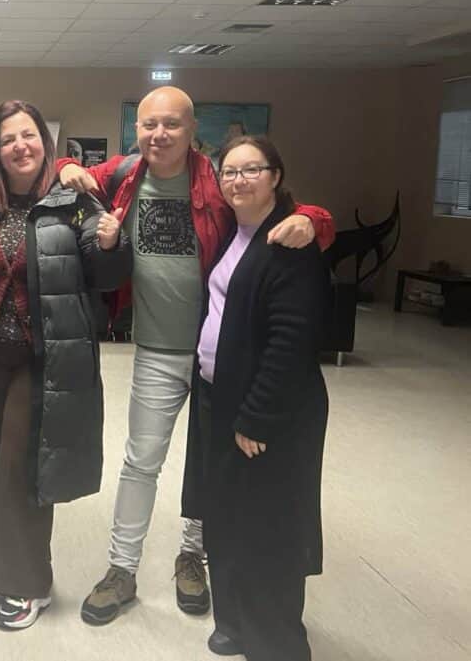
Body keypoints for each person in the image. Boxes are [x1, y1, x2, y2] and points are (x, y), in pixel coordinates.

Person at [57, 86, 334, 625]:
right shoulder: (125, 175)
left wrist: (314, 220)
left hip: (221, 354)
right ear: (138, 130)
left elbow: (290, 211)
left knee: (210, 463)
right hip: (156, 349)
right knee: (141, 461)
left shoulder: (218, 181)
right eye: (149, 124)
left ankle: (193, 556)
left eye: (172, 125)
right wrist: (68, 166)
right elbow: (65, 169)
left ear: (192, 130)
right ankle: (122, 569)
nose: (159, 134)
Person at [0, 100, 131, 630]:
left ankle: (27, 585)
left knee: (20, 469)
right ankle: (22, 564)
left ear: (44, 144)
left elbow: (107, 274)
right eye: (8, 139)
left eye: (28, 135)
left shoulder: (74, 202)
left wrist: (112, 242)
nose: (19, 146)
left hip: (42, 360)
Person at [184, 136, 329, 660]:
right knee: (225, 515)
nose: (238, 180)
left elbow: (292, 340)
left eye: (251, 170)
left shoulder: (290, 242)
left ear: (276, 176)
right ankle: (235, 621)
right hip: (218, 398)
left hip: (268, 411)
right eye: (229, 171)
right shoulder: (233, 231)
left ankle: (276, 640)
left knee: (268, 526)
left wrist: (258, 417)